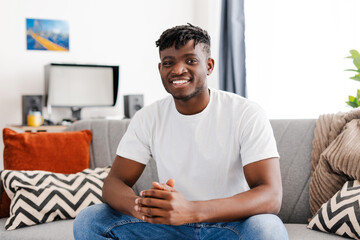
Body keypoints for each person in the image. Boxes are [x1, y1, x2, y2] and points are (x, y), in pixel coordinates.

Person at [73, 23, 288, 240]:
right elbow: (114, 182)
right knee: (91, 220)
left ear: (209, 66)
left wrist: (192, 210)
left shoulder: (245, 113)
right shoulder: (148, 117)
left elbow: (271, 195)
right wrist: (141, 207)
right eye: (169, 63)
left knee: (267, 228)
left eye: (191, 60)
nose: (178, 70)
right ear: (160, 69)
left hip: (231, 225)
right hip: (170, 226)